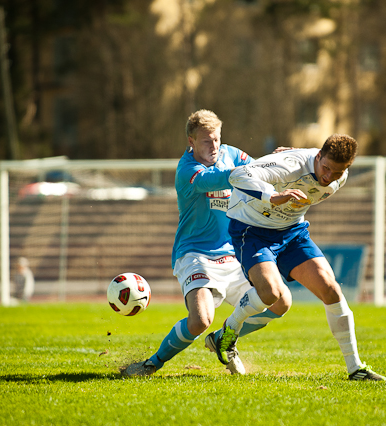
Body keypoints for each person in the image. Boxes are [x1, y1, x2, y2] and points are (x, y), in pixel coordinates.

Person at [122, 109, 291, 376]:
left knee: (281, 302)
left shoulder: (231, 153)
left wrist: (279, 161)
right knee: (200, 320)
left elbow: (258, 170)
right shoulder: (187, 170)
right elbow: (219, 178)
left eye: (217, 140)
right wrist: (250, 170)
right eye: (206, 141)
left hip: (233, 254)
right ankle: (151, 364)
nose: (214, 147)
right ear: (191, 141)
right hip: (195, 254)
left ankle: (224, 337)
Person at [207, 134, 386, 381]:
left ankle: (355, 368)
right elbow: (237, 176)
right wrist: (273, 196)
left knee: (331, 289)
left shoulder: (339, 176)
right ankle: (228, 332)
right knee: (270, 292)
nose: (328, 177)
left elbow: (322, 169)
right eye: (326, 168)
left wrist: (321, 169)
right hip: (252, 229)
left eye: (336, 172)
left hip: (292, 233)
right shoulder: (291, 164)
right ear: (319, 156)